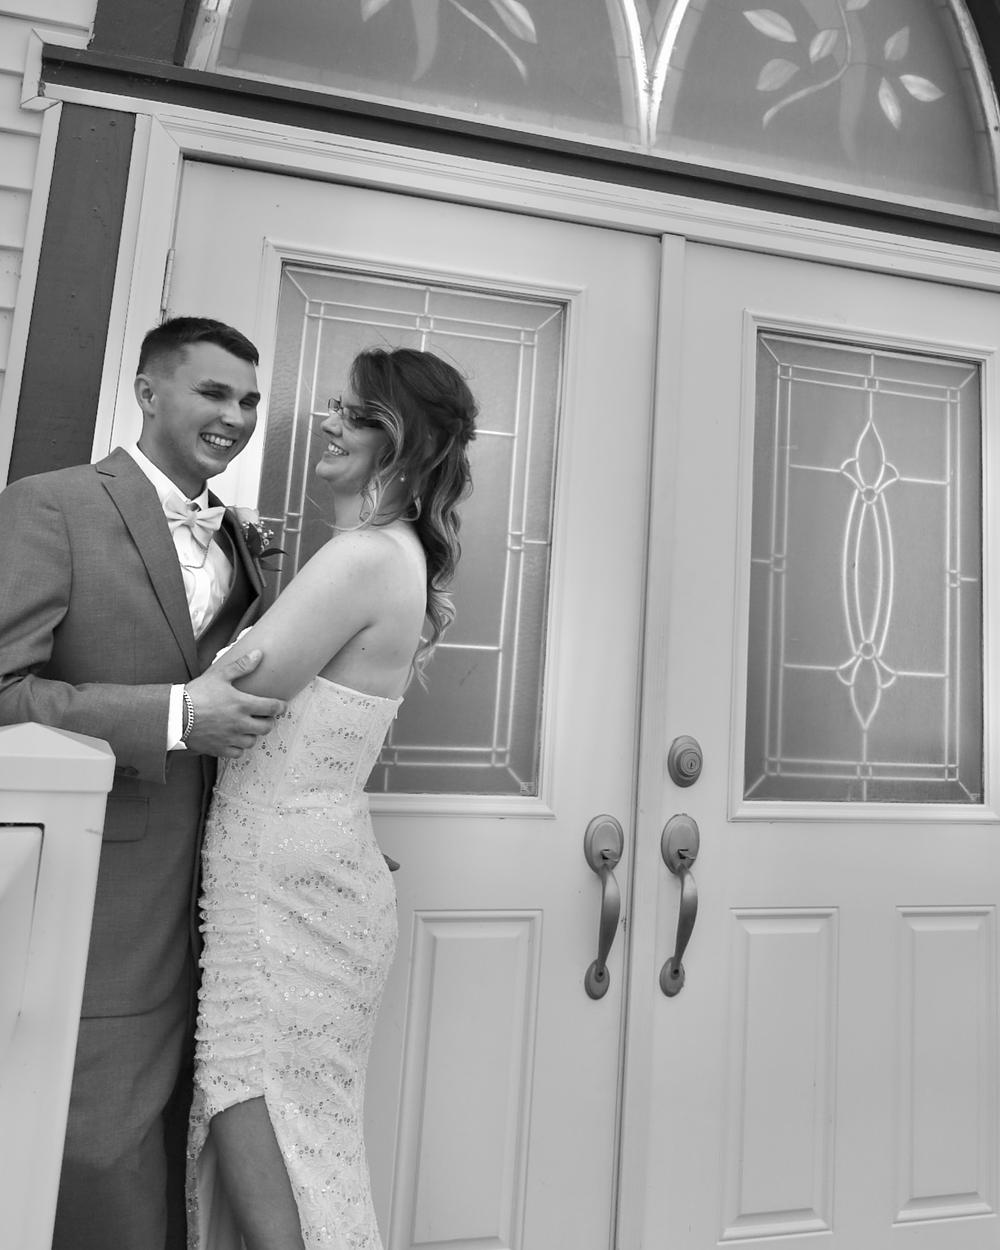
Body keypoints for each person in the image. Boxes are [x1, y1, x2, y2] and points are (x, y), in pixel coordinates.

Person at [0, 317, 286, 1250]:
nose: (236, 416)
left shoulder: (242, 541)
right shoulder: (50, 507)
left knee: (192, 1147)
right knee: (93, 1151)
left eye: (249, 400)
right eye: (214, 392)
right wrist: (173, 718)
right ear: (148, 391)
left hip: (219, 899)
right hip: (97, 894)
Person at [187, 346, 477, 1250]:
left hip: (283, 887)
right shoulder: (393, 556)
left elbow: (234, 691)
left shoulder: (363, 558)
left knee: (265, 1103)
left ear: (402, 439)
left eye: (353, 413)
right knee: (300, 1125)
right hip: (304, 862)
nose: (327, 421)